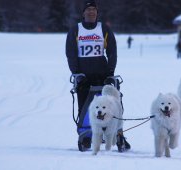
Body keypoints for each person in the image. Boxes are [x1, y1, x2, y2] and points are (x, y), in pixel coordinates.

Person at [65, 0, 130, 151]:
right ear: (83, 13)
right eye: (88, 10)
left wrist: (110, 73)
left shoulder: (104, 29)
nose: (91, 12)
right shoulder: (76, 30)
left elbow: (112, 51)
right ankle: (86, 136)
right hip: (83, 75)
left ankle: (117, 134)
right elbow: (71, 53)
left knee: (112, 105)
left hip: (102, 74)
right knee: (85, 108)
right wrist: (76, 74)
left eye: (94, 10)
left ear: (97, 13)